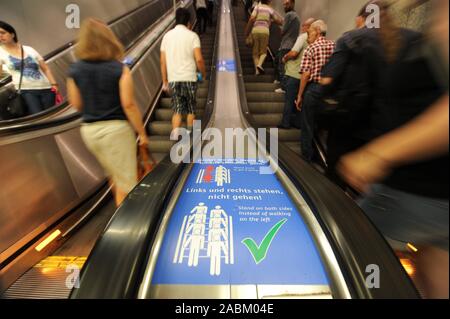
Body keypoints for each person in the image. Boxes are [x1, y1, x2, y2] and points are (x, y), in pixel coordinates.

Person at [338, 0, 449, 298]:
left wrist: (378, 154)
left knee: (342, 248)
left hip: (411, 192)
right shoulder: (427, 20)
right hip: (430, 195)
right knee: (433, 276)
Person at [67, 18, 149, 207]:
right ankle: (129, 227)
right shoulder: (118, 68)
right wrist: (142, 133)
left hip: (89, 131)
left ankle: (119, 216)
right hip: (115, 130)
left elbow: (76, 103)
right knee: (128, 183)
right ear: (109, 40)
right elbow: (128, 104)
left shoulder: (75, 69)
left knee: (115, 175)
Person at [160, 8, 206, 132]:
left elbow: (163, 62)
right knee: (191, 109)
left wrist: (165, 81)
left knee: (177, 111)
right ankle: (191, 139)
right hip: (190, 78)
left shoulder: (167, 37)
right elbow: (199, 60)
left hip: (174, 79)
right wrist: (203, 74)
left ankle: (176, 140)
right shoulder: (192, 36)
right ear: (189, 23)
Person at [296, 20, 335, 162]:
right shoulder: (335, 46)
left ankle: (306, 158)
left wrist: (299, 95)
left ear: (317, 31)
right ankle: (324, 158)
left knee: (307, 125)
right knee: (326, 127)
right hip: (331, 92)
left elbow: (306, 74)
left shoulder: (310, 48)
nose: (307, 36)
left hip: (314, 90)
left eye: (309, 32)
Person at [0, 21, 59, 115]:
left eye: (3, 33)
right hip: (26, 91)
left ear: (12, 34)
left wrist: (54, 84)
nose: (0, 36)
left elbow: (45, 68)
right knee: (38, 118)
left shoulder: (29, 49)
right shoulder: (1, 53)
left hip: (47, 88)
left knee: (53, 116)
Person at [277, 18, 314, 129]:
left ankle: (285, 123)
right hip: (305, 77)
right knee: (300, 100)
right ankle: (297, 123)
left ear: (308, 27)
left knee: (289, 99)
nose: (302, 28)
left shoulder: (303, 37)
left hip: (294, 74)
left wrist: (285, 57)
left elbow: (294, 53)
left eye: (304, 25)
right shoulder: (315, 40)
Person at [245, 0, 283, 75]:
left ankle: (257, 70)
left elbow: (252, 18)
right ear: (269, 2)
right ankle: (259, 65)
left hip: (255, 30)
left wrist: (247, 30)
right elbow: (278, 20)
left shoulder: (257, 7)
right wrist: (272, 20)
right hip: (265, 31)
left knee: (255, 53)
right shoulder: (270, 9)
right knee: (263, 52)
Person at [274, 0, 300, 93]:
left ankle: (283, 87)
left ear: (293, 3)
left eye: (287, 4)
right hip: (292, 44)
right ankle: (278, 80)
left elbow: (283, 31)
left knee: (282, 66)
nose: (285, 6)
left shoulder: (289, 15)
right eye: (284, 4)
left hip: (286, 45)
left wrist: (277, 22)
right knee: (278, 61)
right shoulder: (296, 16)